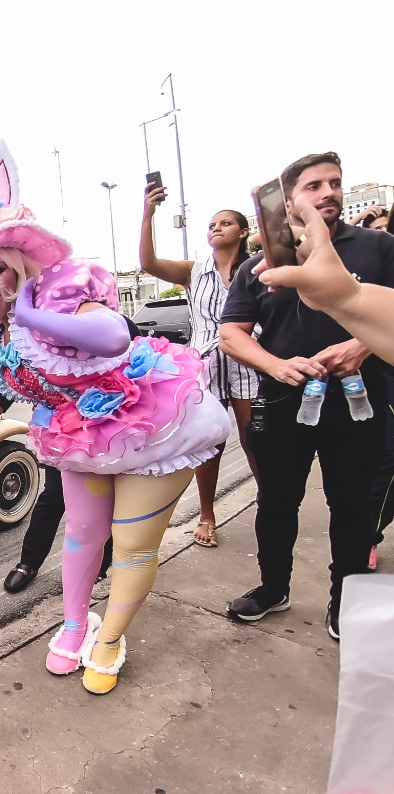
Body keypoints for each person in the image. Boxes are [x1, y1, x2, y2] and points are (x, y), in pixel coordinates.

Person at [0, 142, 230, 695]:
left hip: (151, 414)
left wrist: (34, 312)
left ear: (19, 267)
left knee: (132, 545)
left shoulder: (59, 293)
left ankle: (109, 637)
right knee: (82, 533)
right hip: (80, 431)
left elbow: (113, 336)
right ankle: (73, 623)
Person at [220, 151, 394, 641]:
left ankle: (346, 604)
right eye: (314, 186)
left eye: (335, 183)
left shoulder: (377, 247)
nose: (329, 193)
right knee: (276, 502)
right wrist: (277, 364)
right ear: (289, 199)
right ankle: (273, 588)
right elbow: (232, 333)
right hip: (284, 404)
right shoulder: (260, 265)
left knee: (354, 509)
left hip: (361, 403)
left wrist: (362, 343)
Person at [0, 316, 147, 592]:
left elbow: (136, 351)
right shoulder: (29, 332)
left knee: (107, 496)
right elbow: (6, 391)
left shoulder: (100, 319)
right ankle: (29, 562)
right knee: (53, 496)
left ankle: (103, 561)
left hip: (107, 426)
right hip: (61, 432)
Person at [139, 186, 260, 547]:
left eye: (226, 223)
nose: (216, 228)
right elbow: (148, 263)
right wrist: (148, 213)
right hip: (204, 364)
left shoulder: (256, 268)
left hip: (249, 360)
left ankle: (272, 503)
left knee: (256, 438)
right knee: (209, 443)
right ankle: (207, 515)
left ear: (242, 232)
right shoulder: (193, 271)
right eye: (212, 224)